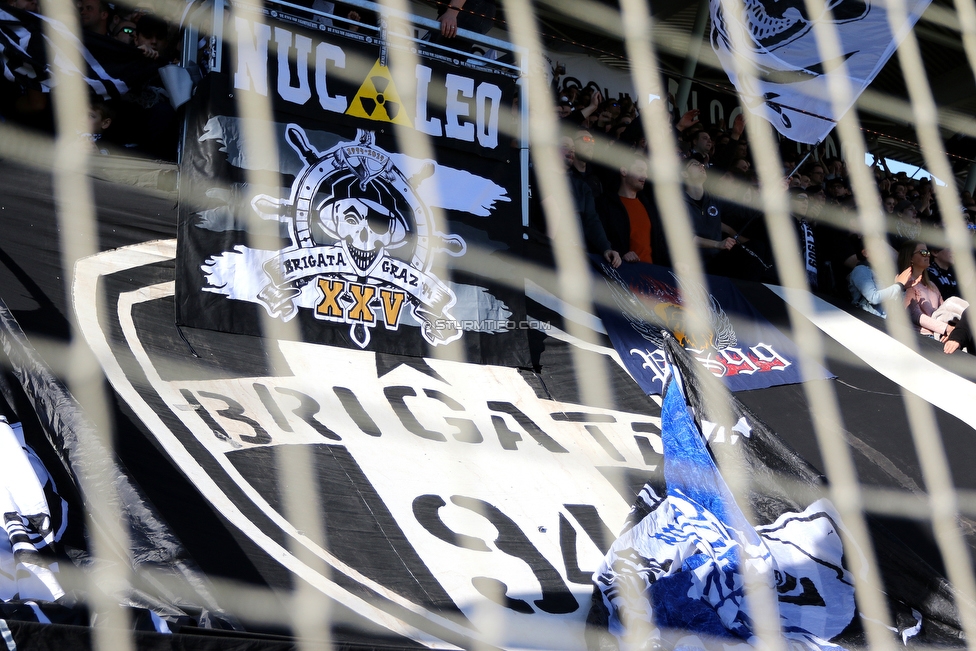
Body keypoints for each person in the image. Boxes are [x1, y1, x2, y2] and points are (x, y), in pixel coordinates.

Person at [557, 136, 621, 268]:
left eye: (573, 149)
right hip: (543, 251)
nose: (571, 151)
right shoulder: (531, 177)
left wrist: (606, 248)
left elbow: (592, 220)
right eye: (565, 146)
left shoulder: (582, 186)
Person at [598, 156, 665, 265]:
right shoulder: (605, 204)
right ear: (624, 171)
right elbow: (602, 238)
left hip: (652, 274)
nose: (645, 175)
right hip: (623, 273)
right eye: (640, 170)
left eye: (646, 171)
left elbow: (660, 245)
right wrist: (622, 254)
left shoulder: (650, 208)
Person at [848, 238, 914, 317]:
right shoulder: (860, 270)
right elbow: (873, 297)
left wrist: (902, 288)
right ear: (865, 253)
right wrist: (898, 285)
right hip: (867, 321)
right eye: (878, 247)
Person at [898, 241, 948, 337]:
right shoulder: (906, 283)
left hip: (937, 336)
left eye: (928, 252)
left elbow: (944, 309)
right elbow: (914, 315)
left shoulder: (932, 285)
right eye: (923, 252)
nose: (927, 255)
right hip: (918, 336)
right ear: (910, 258)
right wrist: (945, 328)